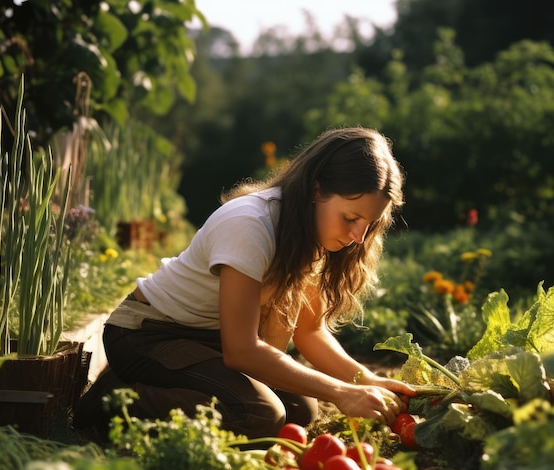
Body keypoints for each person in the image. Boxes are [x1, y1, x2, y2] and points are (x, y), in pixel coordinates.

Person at [74, 127, 415, 441]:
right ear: (316, 189)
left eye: (369, 225)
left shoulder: (312, 230)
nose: (358, 237)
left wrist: (363, 381)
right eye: (351, 218)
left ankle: (157, 392)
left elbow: (309, 332)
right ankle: (111, 403)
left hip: (206, 337)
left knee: (299, 411)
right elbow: (242, 350)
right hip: (148, 334)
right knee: (260, 414)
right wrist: (341, 393)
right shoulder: (251, 224)